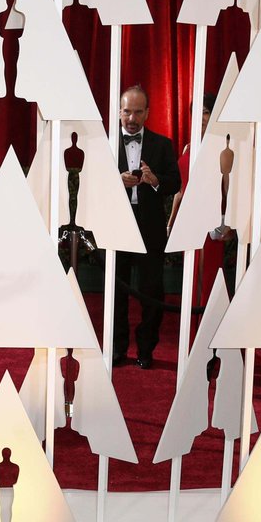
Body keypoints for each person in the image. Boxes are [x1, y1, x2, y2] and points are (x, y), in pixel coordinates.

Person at [114, 85, 180, 370]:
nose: (131, 117)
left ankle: (145, 349)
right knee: (116, 292)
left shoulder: (162, 144)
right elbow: (91, 182)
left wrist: (154, 181)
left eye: (138, 111)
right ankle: (116, 348)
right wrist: (118, 180)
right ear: (119, 111)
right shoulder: (105, 143)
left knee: (152, 291)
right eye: (127, 111)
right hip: (116, 227)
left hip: (150, 228)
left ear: (147, 113)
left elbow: (175, 183)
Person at [168, 93, 233, 305]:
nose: (201, 117)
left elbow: (228, 188)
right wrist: (171, 222)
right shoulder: (188, 147)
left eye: (206, 112)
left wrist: (229, 220)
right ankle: (192, 325)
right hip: (188, 220)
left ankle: (205, 322)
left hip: (211, 219)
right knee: (191, 273)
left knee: (207, 273)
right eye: (197, 112)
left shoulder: (222, 148)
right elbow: (181, 189)